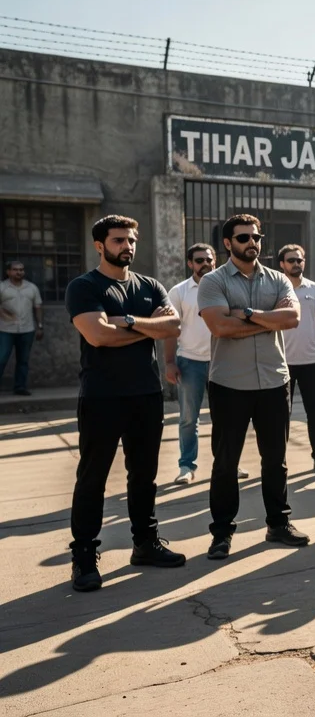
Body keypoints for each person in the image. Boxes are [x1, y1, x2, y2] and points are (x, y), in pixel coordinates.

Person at [66, 215, 185, 591]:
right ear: (99, 245)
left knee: (144, 476)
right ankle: (84, 555)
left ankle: (145, 544)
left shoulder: (149, 285)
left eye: (131, 240)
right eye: (119, 240)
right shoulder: (84, 287)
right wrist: (148, 325)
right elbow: (98, 336)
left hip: (146, 395)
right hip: (102, 396)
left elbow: (175, 327)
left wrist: (128, 321)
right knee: (93, 478)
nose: (127, 247)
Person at [198, 214, 311, 559]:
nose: (252, 242)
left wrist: (244, 314)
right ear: (228, 243)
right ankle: (222, 533)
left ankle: (278, 523)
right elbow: (220, 327)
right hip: (229, 383)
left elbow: (292, 318)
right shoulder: (212, 282)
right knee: (226, 461)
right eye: (244, 237)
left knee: (275, 459)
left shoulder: (278, 279)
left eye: (257, 236)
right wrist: (265, 318)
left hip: (274, 381)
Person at [165, 243, 251, 484]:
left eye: (209, 260)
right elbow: (172, 328)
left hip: (222, 361)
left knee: (226, 417)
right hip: (189, 362)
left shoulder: (225, 287)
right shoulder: (179, 291)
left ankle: (227, 464)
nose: (205, 264)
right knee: (189, 418)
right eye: (199, 260)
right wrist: (170, 362)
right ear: (190, 264)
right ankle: (186, 466)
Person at [278, 244, 315, 472]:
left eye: (299, 260)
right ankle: (277, 458)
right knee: (282, 413)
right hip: (282, 362)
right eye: (291, 260)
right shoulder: (276, 289)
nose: (296, 264)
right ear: (282, 264)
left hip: (311, 360)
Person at [0, 260, 43, 395]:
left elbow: (38, 307)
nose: (19, 272)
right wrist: (4, 313)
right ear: (8, 272)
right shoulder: (2, 287)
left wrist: (40, 326)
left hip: (27, 329)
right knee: (2, 358)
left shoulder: (32, 288)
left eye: (21, 270)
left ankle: (20, 387)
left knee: (23, 360)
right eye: (15, 270)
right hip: (5, 330)